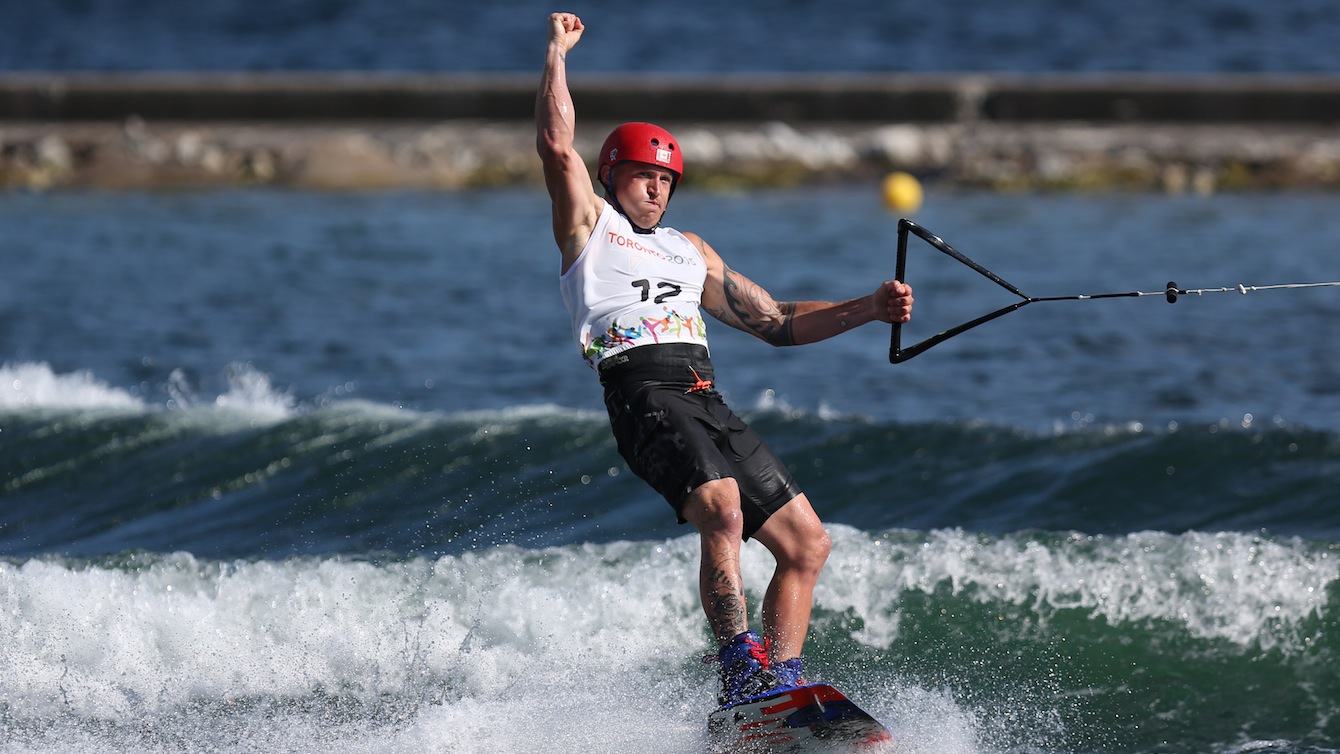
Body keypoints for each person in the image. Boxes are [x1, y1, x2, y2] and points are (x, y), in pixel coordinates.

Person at [535, 11, 914, 707]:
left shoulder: (691, 249)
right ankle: (740, 672)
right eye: (643, 176)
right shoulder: (590, 227)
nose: (657, 189)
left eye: (667, 180)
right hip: (642, 388)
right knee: (723, 508)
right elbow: (557, 147)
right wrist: (557, 54)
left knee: (807, 544)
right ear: (611, 177)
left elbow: (772, 322)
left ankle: (782, 690)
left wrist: (871, 306)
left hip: (706, 395)